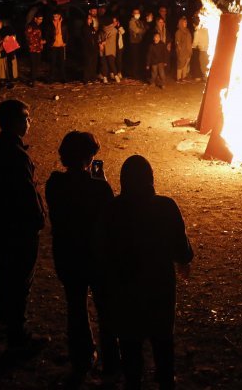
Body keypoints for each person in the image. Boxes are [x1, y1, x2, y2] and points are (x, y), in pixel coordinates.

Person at [104, 155, 193, 390]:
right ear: (150, 179)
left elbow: (105, 247)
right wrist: (185, 260)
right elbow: (180, 247)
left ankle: (133, 380)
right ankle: (165, 379)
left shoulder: (113, 209)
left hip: (126, 285)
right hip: (159, 285)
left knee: (129, 338)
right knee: (162, 336)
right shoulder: (165, 206)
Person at [0, 100, 49, 350]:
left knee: (3, 271)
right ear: (15, 123)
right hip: (18, 229)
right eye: (26, 118)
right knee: (20, 279)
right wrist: (39, 219)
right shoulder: (16, 155)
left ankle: (5, 320)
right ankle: (18, 332)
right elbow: (27, 193)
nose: (30, 122)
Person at [46, 132, 119, 383]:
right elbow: (111, 217)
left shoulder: (54, 183)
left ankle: (82, 357)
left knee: (76, 306)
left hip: (68, 254)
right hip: (96, 256)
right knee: (105, 307)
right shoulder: (98, 187)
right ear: (90, 157)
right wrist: (100, 180)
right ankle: (112, 360)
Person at [25, 12, 46, 86]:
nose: (41, 20)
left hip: (38, 48)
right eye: (39, 19)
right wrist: (39, 42)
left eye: (42, 19)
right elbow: (29, 38)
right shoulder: (30, 26)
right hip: (32, 49)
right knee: (33, 64)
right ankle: (32, 80)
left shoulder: (38, 26)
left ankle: (33, 78)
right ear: (35, 19)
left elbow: (38, 36)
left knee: (37, 64)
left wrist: (41, 41)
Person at [47, 11, 69, 83]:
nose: (55, 16)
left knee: (62, 63)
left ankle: (63, 78)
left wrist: (65, 42)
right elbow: (48, 34)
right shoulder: (50, 23)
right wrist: (50, 42)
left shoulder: (63, 23)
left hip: (61, 45)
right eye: (54, 15)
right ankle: (51, 78)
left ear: (59, 15)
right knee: (52, 63)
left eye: (56, 15)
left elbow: (66, 33)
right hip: (53, 45)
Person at [128, 8, 146, 80]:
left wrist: (142, 30)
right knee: (135, 59)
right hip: (134, 42)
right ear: (132, 14)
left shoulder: (139, 21)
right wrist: (143, 30)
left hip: (139, 42)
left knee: (139, 58)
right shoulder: (132, 22)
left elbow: (143, 29)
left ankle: (138, 73)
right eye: (135, 13)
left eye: (138, 13)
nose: (137, 14)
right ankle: (134, 74)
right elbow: (138, 30)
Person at [174, 17, 193, 83]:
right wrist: (179, 49)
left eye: (186, 22)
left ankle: (184, 77)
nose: (186, 23)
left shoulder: (187, 31)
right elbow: (177, 42)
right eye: (184, 22)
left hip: (188, 50)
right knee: (180, 64)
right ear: (181, 23)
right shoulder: (178, 32)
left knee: (186, 64)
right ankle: (178, 78)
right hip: (182, 51)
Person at [192, 15, 210, 81]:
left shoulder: (197, 31)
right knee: (207, 65)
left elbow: (195, 43)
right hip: (209, 51)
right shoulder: (206, 29)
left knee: (203, 66)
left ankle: (206, 80)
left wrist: (192, 46)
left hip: (202, 51)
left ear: (194, 24)